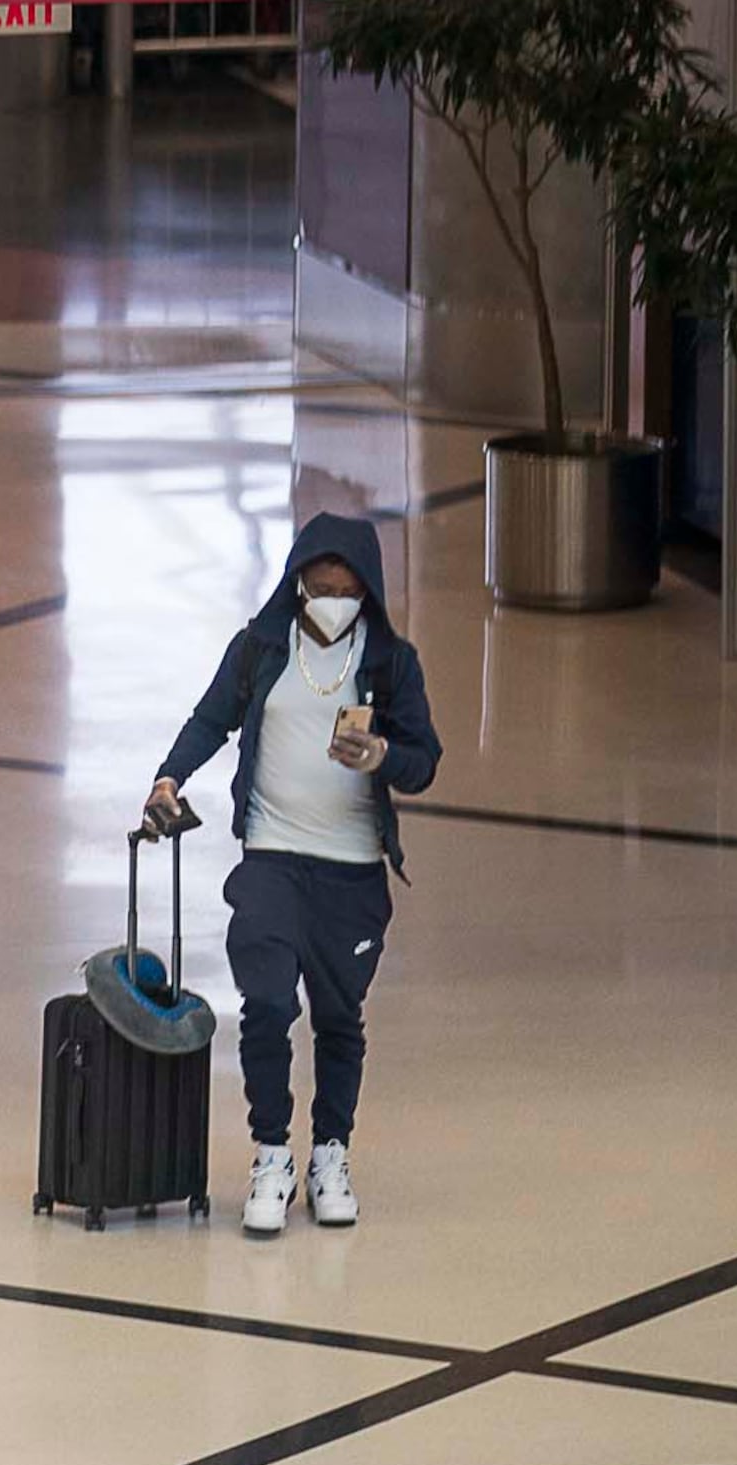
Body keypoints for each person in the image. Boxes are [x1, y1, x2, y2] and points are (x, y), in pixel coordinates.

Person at [143, 510, 443, 1236]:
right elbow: (211, 719)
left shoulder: (388, 664)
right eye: (320, 586)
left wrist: (382, 760)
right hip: (271, 858)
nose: (332, 600)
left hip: (351, 873)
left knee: (339, 1019)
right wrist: (169, 777)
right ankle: (272, 1153)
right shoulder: (260, 648)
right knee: (269, 1003)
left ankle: (330, 1153)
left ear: (367, 592)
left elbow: (424, 760)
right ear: (298, 583)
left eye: (347, 589)